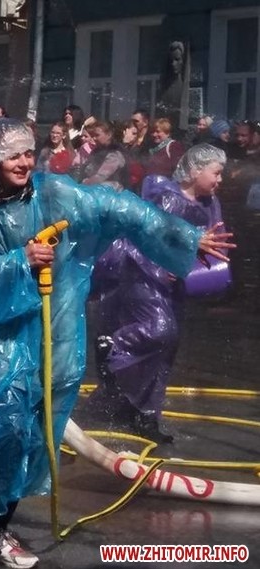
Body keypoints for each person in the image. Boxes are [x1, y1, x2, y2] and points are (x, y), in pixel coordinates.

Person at [0, 119, 233, 568]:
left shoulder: (54, 193)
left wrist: (186, 237)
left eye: (28, 153)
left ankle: (0, 529)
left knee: (36, 431)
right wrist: (20, 260)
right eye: (12, 155)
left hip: (53, 330)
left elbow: (121, 208)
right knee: (7, 423)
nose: (23, 162)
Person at [88, 144, 230, 444]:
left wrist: (198, 268)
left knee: (167, 347)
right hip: (142, 277)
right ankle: (115, 345)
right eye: (216, 173)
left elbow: (208, 243)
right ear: (195, 171)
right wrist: (162, 266)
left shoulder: (208, 203)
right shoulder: (168, 199)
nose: (220, 180)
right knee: (160, 330)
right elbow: (140, 238)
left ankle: (144, 412)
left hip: (173, 282)